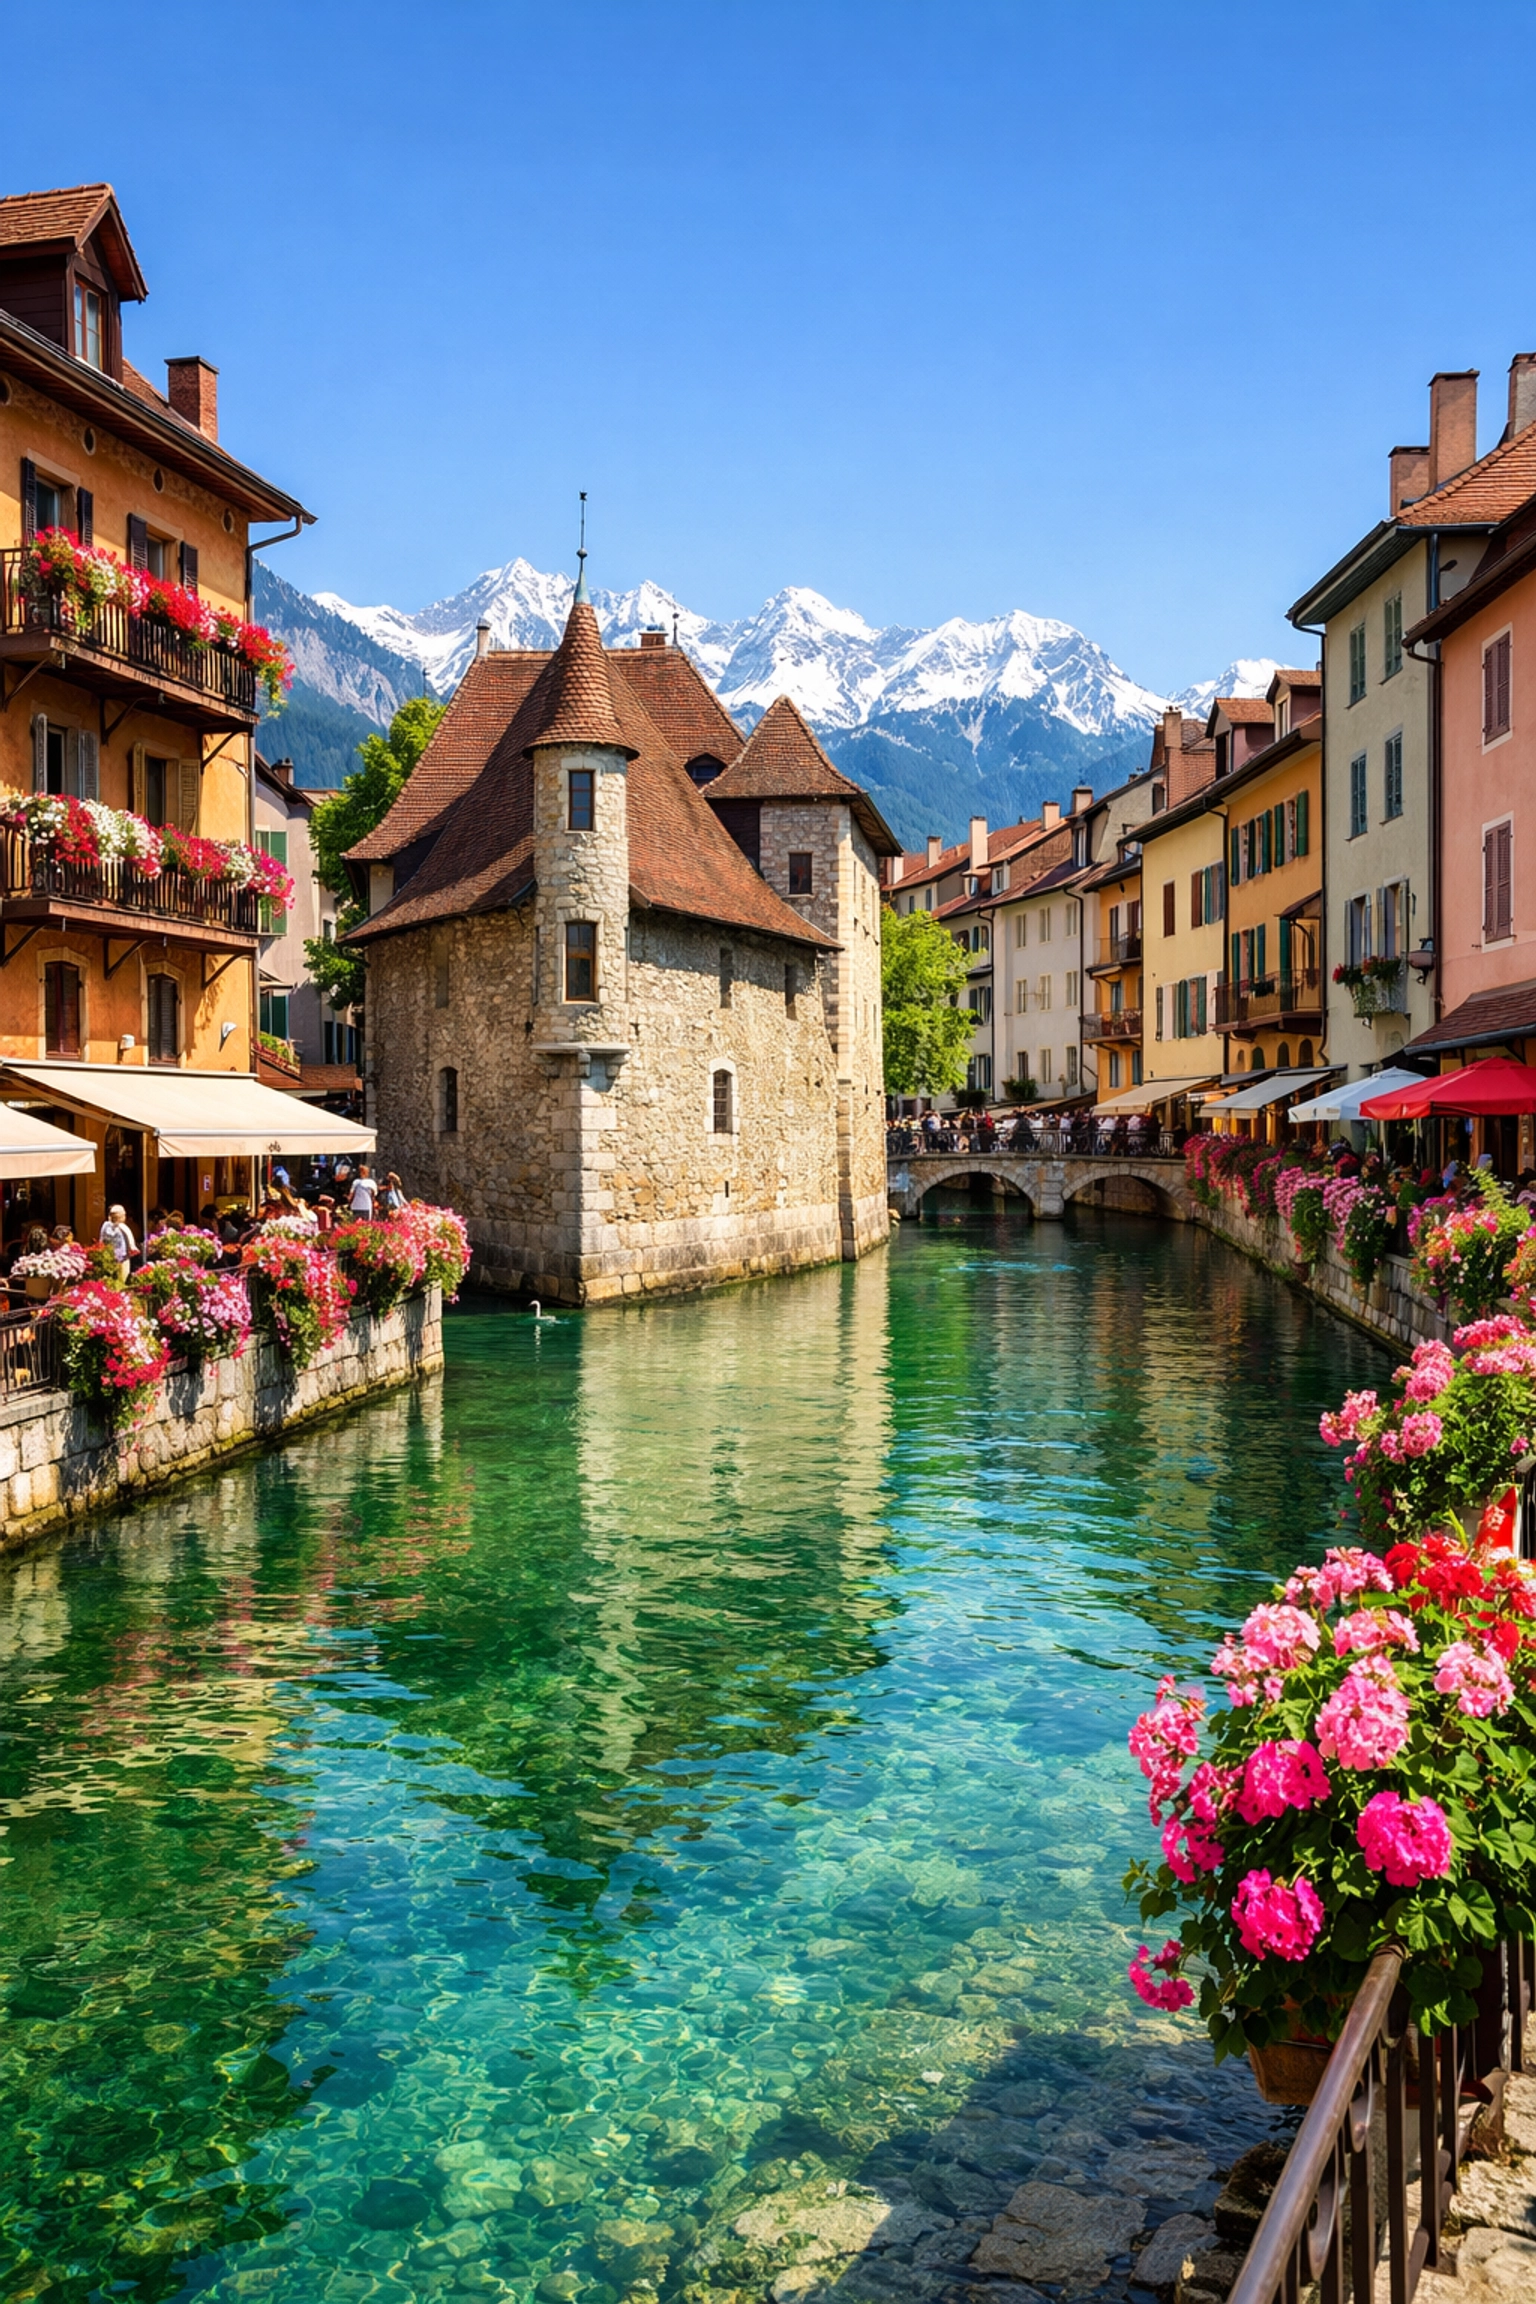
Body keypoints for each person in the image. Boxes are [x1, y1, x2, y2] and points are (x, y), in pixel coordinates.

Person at [99, 1204, 137, 1279]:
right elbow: (129, 1237)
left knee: (112, 1275)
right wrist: (133, 1247)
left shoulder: (105, 1226)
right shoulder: (122, 1226)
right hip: (123, 1255)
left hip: (110, 1255)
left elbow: (101, 1238)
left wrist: (101, 1249)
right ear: (122, 1216)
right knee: (123, 1274)